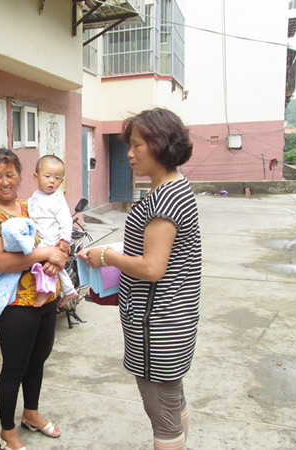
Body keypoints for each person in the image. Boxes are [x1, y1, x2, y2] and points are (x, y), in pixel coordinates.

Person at [78, 108, 201, 450]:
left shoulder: (165, 198)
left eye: (137, 145)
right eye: (129, 145)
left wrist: (107, 257)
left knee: (162, 414)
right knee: (172, 402)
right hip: (173, 319)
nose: (130, 153)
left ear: (160, 145)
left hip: (157, 325)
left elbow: (152, 268)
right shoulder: (174, 188)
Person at [0, 147, 68, 450]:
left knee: (38, 360)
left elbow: (57, 240)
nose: (5, 181)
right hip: (15, 306)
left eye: (10, 174)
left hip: (46, 297)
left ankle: (31, 413)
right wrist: (46, 253)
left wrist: (60, 254)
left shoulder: (32, 206)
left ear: (20, 176)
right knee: (14, 367)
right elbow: (0, 261)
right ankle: (7, 431)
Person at [27, 155, 78, 307]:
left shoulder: (57, 199)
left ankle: (45, 293)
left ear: (61, 181)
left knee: (49, 266)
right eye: (47, 176)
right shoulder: (33, 198)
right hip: (39, 238)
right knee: (53, 267)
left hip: (51, 239)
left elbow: (66, 220)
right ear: (36, 177)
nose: (52, 181)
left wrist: (64, 239)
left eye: (57, 178)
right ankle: (69, 291)